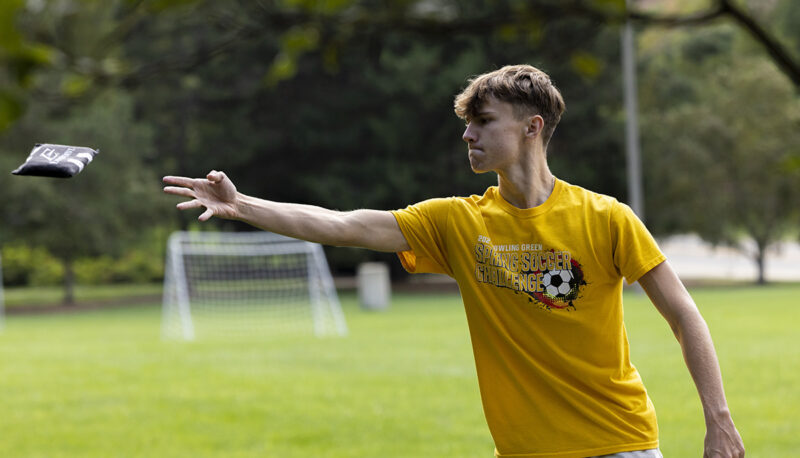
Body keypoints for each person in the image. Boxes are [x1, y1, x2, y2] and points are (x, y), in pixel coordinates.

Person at [163, 64, 745, 458]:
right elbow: (345, 224)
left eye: (483, 122)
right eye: (466, 123)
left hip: (618, 445)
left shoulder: (607, 218)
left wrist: (717, 418)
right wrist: (243, 206)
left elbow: (684, 316)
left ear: (532, 127)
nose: (467, 134)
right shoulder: (457, 221)